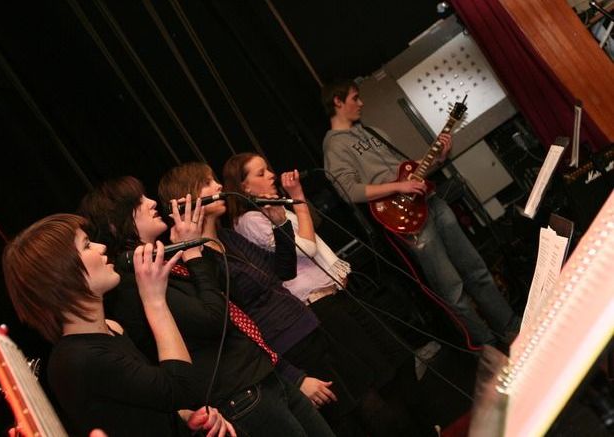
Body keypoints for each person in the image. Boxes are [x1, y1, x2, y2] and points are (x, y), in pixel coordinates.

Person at [159, 163, 433, 436]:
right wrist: (293, 376)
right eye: (208, 182)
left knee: (373, 398)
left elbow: (283, 271)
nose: (218, 186)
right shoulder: (199, 262)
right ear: (189, 197)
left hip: (309, 326)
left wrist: (280, 224)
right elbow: (239, 326)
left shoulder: (227, 237)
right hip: (290, 346)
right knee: (358, 416)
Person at [78, 178, 334, 437]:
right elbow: (214, 319)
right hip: (240, 394)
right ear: (114, 222)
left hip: (263, 374)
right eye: (138, 202)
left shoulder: (166, 256)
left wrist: (194, 245)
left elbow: (228, 294)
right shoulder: (133, 282)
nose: (152, 203)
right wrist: (194, 255)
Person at [321, 78, 521, 346]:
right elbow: (349, 191)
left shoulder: (371, 131)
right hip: (404, 217)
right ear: (337, 101)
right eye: (355, 97)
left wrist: (438, 156)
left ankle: (512, 328)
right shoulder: (334, 145)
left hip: (430, 202)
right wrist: (399, 186)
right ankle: (487, 347)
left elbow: (407, 169)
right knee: (452, 288)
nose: (361, 103)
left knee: (476, 269)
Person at [2, 213, 235, 436]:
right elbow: (182, 387)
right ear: (61, 276)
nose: (100, 247)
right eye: (86, 245)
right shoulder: (76, 359)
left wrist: (186, 418)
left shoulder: (112, 328)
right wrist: (155, 301)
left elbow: (149, 405)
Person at [222, 152, 410, 371]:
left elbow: (314, 224)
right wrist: (298, 198)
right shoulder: (250, 220)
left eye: (268, 169)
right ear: (244, 187)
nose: (272, 176)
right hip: (317, 301)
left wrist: (295, 199)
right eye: (261, 173)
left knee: (395, 352)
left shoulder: (273, 208)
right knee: (379, 364)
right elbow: (307, 248)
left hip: (333, 293)